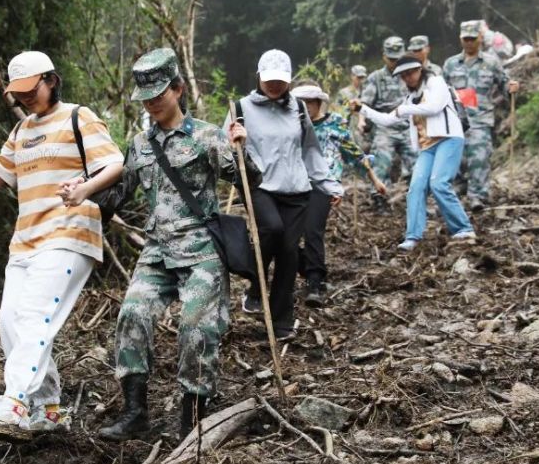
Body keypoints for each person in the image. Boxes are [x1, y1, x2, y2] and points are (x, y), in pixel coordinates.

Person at [98, 48, 257, 442]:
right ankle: (135, 412)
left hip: (201, 251)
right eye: (146, 96)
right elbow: (117, 195)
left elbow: (248, 182)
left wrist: (241, 147)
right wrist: (80, 188)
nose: (153, 102)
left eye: (159, 93)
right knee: (132, 316)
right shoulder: (138, 144)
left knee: (196, 329)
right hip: (156, 251)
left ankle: (194, 416)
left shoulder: (205, 136)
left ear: (178, 89)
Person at [0, 51, 124, 440]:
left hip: (69, 234)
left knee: (35, 316)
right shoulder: (21, 132)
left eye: (30, 89)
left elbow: (115, 161)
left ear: (51, 80)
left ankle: (14, 402)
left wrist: (84, 188)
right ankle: (47, 408)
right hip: (25, 241)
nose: (24, 98)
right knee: (10, 323)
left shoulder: (78, 116)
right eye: (17, 93)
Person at [227, 49, 343, 340]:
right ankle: (255, 283)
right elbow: (222, 151)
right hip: (259, 184)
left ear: (289, 80)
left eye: (281, 81)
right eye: (270, 80)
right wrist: (234, 141)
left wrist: (328, 184)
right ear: (259, 77)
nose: (275, 86)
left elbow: (310, 150)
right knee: (272, 229)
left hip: (295, 188)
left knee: (289, 253)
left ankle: (281, 320)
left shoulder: (299, 109)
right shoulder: (240, 107)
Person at [351, 56, 476, 252]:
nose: (409, 77)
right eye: (404, 75)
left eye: (411, 72)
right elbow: (386, 120)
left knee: (438, 183)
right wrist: (362, 108)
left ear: (420, 70)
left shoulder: (436, 82)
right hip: (427, 147)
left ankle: (463, 229)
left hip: (448, 139)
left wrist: (404, 110)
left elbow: (434, 107)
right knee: (416, 187)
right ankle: (413, 236)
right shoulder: (409, 98)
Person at [293, 81, 386, 307]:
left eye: (308, 102)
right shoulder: (291, 125)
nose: (304, 107)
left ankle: (314, 283)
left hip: (323, 185)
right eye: (299, 103)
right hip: (293, 183)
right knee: (285, 235)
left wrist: (375, 180)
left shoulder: (334, 124)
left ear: (318, 103)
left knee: (312, 230)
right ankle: (310, 269)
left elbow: (354, 153)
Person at [443, 21, 520, 211]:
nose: (469, 42)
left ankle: (478, 196)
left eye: (472, 38)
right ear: (461, 39)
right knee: (457, 160)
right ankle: (457, 191)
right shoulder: (451, 64)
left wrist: (511, 88)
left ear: (480, 39)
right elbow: (441, 91)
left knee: (479, 157)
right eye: (465, 39)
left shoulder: (491, 62)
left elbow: (504, 84)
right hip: (455, 121)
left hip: (480, 119)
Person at [360, 37, 412, 211]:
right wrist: (362, 122)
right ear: (384, 57)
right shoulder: (375, 78)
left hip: (408, 127)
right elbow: (365, 103)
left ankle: (419, 199)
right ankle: (379, 200)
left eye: (398, 59)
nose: (395, 63)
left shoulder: (411, 75)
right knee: (381, 163)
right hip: (385, 128)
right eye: (391, 59)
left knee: (419, 163)